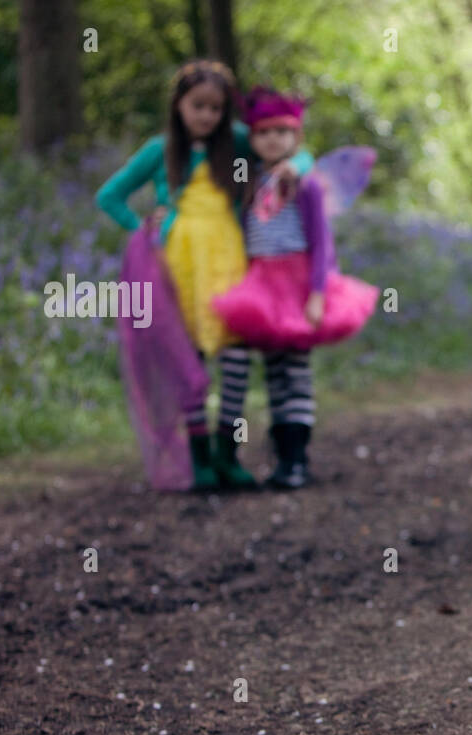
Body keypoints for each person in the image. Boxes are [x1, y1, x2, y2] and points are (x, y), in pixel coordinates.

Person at [96, 60, 313, 491]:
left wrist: (298, 167)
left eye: (215, 108)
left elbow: (292, 148)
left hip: (229, 262)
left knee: (234, 361)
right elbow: (110, 195)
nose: (207, 116)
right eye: (198, 106)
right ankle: (199, 462)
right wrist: (142, 226)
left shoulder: (234, 143)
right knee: (188, 362)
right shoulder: (159, 151)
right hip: (179, 268)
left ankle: (226, 454)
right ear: (178, 104)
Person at [211, 87, 379, 488]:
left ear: (296, 137)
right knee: (273, 371)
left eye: (283, 132)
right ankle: (280, 456)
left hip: (299, 282)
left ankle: (296, 456)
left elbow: (321, 243)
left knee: (296, 372)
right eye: (264, 133)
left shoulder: (306, 185)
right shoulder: (251, 181)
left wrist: (318, 294)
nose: (273, 140)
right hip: (262, 284)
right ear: (252, 139)